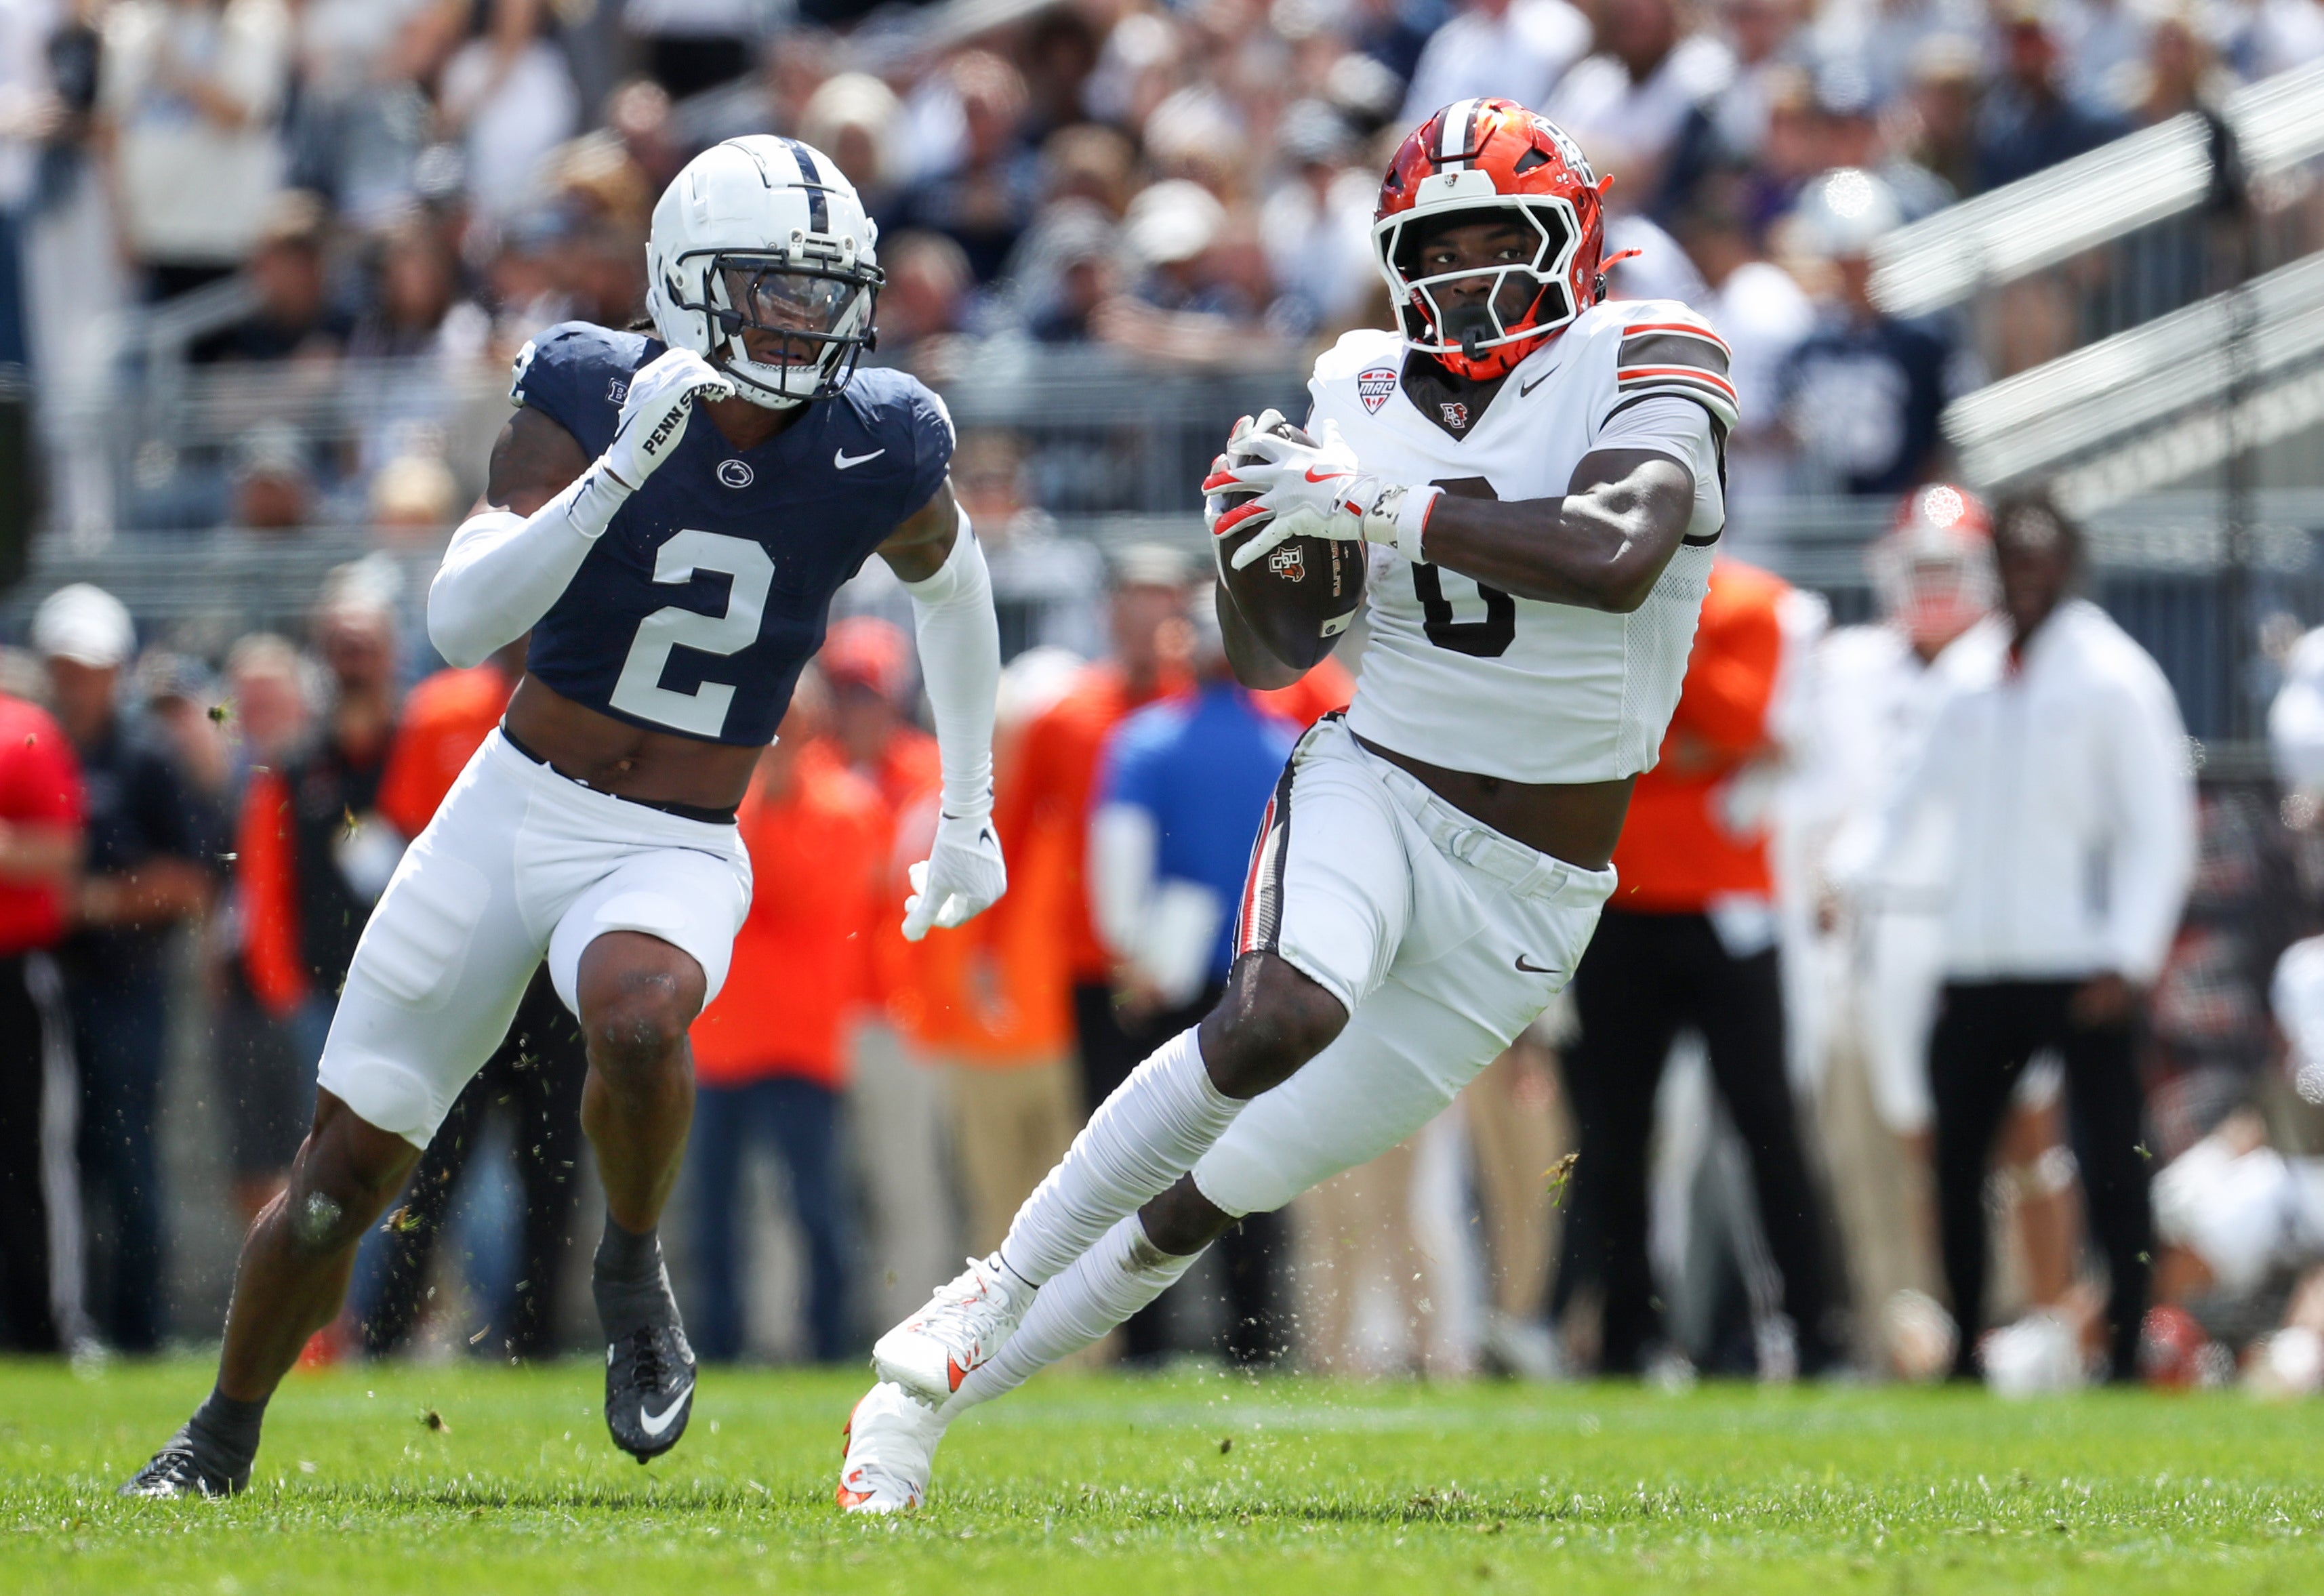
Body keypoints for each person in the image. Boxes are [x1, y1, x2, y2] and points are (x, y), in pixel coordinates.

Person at [841, 98, 1736, 1509]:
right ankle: (980, 1300)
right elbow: (1273, 654)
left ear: (1576, 239)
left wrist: (1375, 509)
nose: (1462, 276)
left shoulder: (1649, 349)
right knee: (1274, 1014)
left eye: (1497, 237)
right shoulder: (1361, 385)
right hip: (1379, 783)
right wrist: (1251, 548)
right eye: (1433, 249)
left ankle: (911, 1411)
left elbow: (1617, 549)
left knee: (1210, 1191)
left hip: (1530, 894)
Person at [124, 136, 1003, 1496]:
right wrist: (614, 475)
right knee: (337, 1179)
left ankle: (629, 1261)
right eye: (771, 287)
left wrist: (968, 806)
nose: (803, 317)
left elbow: (955, 583)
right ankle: (219, 1433)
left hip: (676, 838)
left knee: (641, 1018)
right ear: (687, 282)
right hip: (511, 810)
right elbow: (462, 616)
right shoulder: (593, 386)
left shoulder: (876, 432)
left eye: (824, 289)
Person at [1864, 492, 2195, 1380]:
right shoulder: (1966, 673)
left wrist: (2127, 953)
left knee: (2109, 1159)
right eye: (2010, 551)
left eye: (2042, 552)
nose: (2025, 568)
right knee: (1956, 1161)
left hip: (2078, 961)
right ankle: (1966, 1341)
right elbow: (1906, 797)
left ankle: (2125, 1341)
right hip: (1975, 960)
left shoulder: (2110, 673)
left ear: (2069, 561)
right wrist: (1851, 875)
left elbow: (2156, 828)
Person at [1553, 557, 1839, 1376]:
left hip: (1726, 905)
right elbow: (1592, 719)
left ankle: (1815, 1328)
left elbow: (1745, 720)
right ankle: (1624, 1335)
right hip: (1620, 900)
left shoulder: (1758, 602)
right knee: (1614, 1136)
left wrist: (1656, 649)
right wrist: (1684, 742)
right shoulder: (1596, 588)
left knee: (1767, 1126)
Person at [1802, 485, 2006, 1366]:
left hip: (1976, 944)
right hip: (1866, 938)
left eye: (1948, 568)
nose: (1931, 587)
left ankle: (1992, 1318)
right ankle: (1889, 1323)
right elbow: (1817, 800)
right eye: (1918, 567)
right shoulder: (1849, 666)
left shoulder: (2008, 666)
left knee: (1985, 1144)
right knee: (1858, 1142)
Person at [356, 636, 594, 1365]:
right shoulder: (438, 712)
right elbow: (402, 840)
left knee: (552, 1171)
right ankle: (390, 1332)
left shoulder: (588, 706)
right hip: (463, 974)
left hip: (552, 982)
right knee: (430, 1168)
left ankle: (535, 1341)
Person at [1085, 591, 1301, 1366]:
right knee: (1250, 1164)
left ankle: (1145, 1343)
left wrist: (1126, 953)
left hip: (1162, 986)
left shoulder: (1146, 740)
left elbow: (1119, 857)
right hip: (1255, 988)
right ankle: (1254, 1342)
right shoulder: (1288, 744)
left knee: (1144, 1164)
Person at [35, 584, 219, 1355]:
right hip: (49, 986)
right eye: (67, 668)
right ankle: (70, 1321)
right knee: (60, 1163)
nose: (80, 683)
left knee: (127, 1153)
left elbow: (191, 881)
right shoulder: (40, 749)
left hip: (126, 987)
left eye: (92, 668)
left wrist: (93, 902)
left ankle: (137, 1326)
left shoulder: (146, 756)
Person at [684, 674, 887, 1364]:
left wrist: (775, 798)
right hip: (721, 1043)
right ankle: (715, 1347)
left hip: (803, 1044)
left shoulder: (847, 806)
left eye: (785, 725)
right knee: (713, 1218)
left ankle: (827, 1343)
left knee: (818, 1213)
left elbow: (798, 896)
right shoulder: (721, 797)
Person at [0, 680, 83, 1352]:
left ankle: (46, 1328)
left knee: (29, 1158)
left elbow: (59, 850)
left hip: (11, 968)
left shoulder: (22, 730)